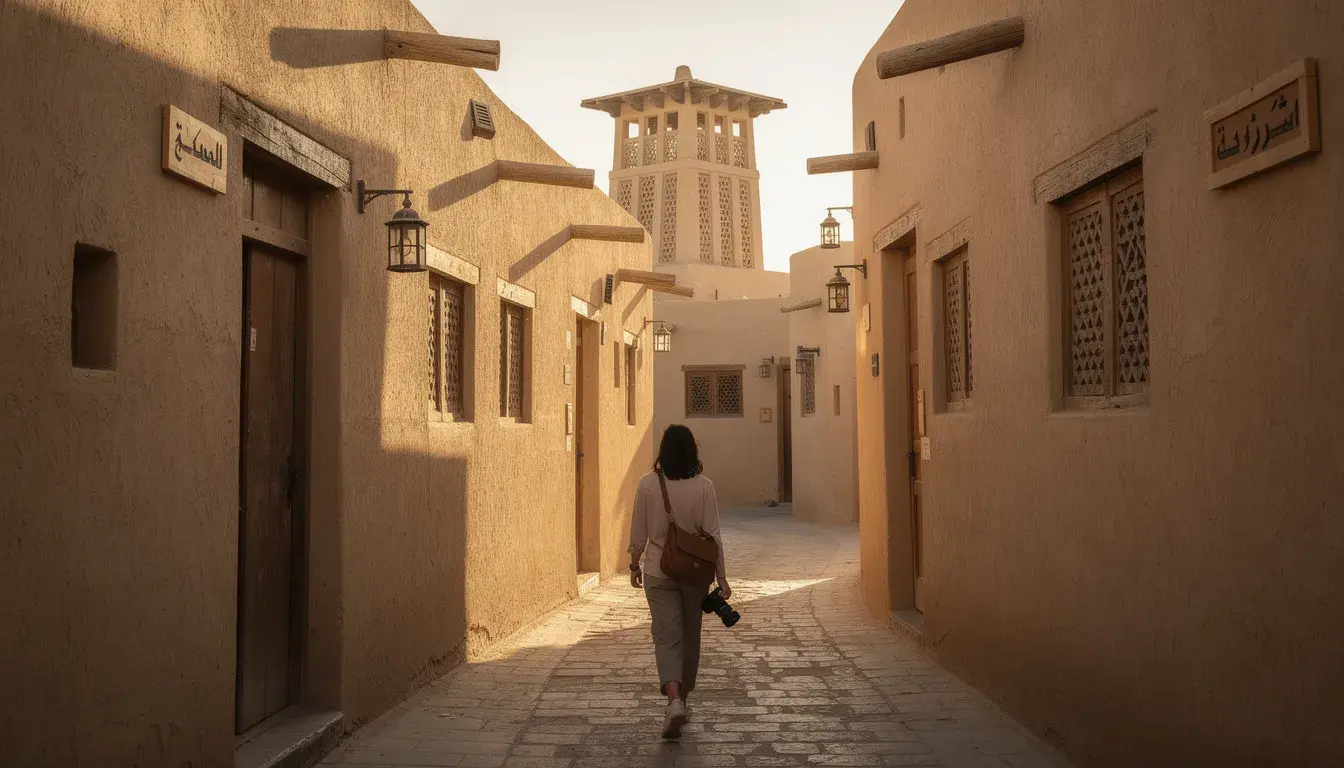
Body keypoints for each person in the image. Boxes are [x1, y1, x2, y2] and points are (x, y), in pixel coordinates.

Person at [628, 424, 730, 740]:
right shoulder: (704, 487)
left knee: (666, 636)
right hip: (695, 574)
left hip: (659, 571)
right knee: (690, 637)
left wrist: (634, 562)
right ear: (692, 452)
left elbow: (638, 530)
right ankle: (682, 700)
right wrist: (722, 576)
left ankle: (673, 701)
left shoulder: (647, 485)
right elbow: (713, 535)